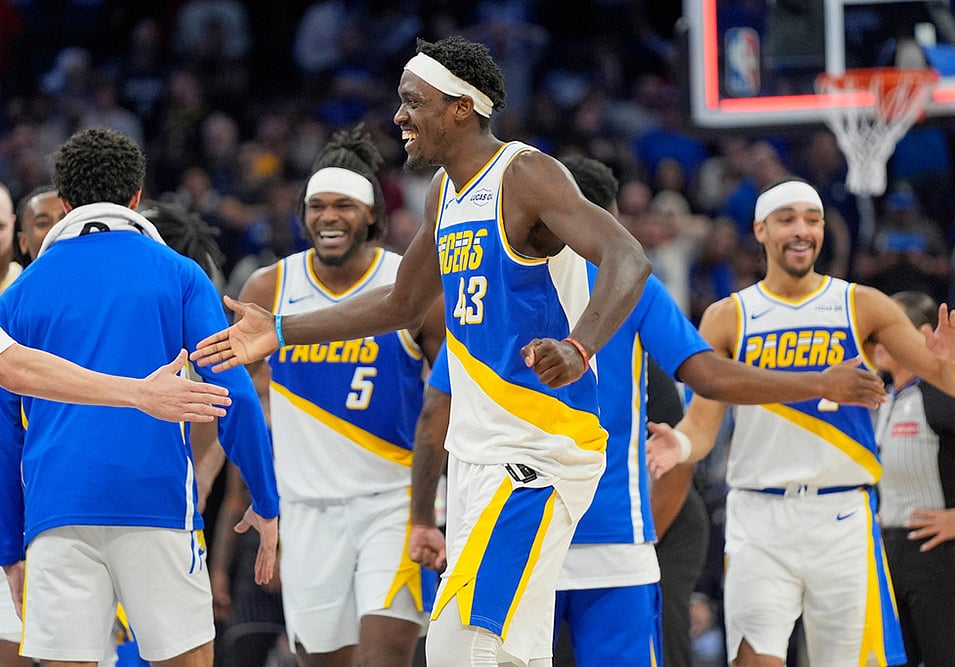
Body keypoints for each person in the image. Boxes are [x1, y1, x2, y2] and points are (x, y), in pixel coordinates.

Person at [193, 35, 654, 667]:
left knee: (466, 648)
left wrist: (581, 344)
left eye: (413, 102)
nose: (399, 117)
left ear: (461, 107)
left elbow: (629, 257)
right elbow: (400, 304)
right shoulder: (445, 192)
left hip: (535, 455)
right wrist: (278, 329)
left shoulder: (524, 173)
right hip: (475, 458)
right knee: (498, 651)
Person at [406, 157, 888, 667]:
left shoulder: (494, 284)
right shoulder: (632, 287)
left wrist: (421, 518)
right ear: (602, 219)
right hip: (613, 534)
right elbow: (709, 376)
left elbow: (436, 409)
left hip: (514, 525)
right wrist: (821, 382)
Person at [646, 178, 955, 666]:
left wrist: (953, 361)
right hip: (758, 517)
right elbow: (703, 424)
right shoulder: (728, 316)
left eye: (812, 219)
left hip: (842, 516)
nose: (802, 230)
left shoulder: (862, 304)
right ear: (760, 230)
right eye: (787, 220)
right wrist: (679, 444)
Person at [0, 127, 279, 666]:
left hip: (57, 509)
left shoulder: (21, 292)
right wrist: (266, 503)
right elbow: (235, 398)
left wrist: (11, 546)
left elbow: (5, 434)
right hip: (155, 504)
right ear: (135, 198)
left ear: (62, 204)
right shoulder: (179, 274)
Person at [234, 123, 445, 666]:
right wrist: (258, 495)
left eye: (344, 206)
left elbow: (451, 393)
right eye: (317, 206)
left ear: (372, 214)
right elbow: (233, 397)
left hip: (391, 501)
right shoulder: (268, 288)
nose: (328, 216)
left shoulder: (410, 284)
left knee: (385, 655)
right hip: (305, 508)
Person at [874, 290, 955, 667]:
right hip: (893, 558)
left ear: (923, 335)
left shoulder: (942, 393)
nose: (877, 337)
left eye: (888, 328)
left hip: (941, 565)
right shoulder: (887, 399)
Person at [15, 184, 64, 263]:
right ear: (23, 242)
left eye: (65, 219)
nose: (56, 228)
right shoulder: (19, 275)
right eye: (43, 223)